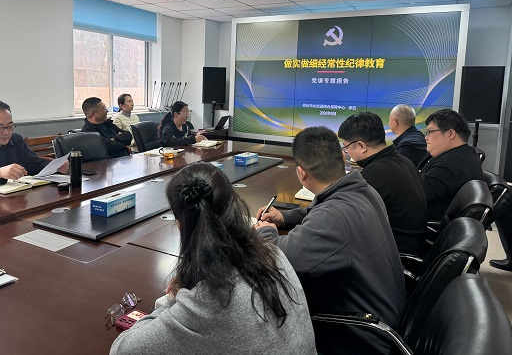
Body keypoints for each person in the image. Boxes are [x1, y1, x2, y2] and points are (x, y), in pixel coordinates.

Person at [110, 162, 317, 354]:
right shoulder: (272, 253)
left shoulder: (208, 300)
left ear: (181, 225)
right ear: (234, 206)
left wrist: (173, 299)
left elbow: (123, 349)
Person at [255, 127, 405, 355]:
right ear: (343, 158)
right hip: (383, 313)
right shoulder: (363, 190)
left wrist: (266, 232)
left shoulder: (334, 218)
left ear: (301, 173)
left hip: (362, 337)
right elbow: (322, 209)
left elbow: (276, 259)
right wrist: (284, 217)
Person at [338, 112, 427, 255]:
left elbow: (343, 218)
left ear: (361, 146)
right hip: (413, 244)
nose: (347, 152)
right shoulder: (402, 161)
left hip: (394, 253)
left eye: (346, 147)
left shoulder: (375, 174)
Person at [420, 109, 483, 221]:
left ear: (450, 134)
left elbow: (414, 197)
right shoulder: (467, 153)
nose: (426, 137)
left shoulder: (447, 167)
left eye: (430, 132)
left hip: (424, 224)